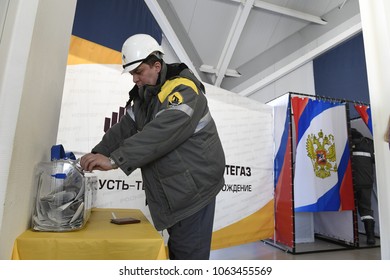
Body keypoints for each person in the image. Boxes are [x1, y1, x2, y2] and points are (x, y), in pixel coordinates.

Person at [80, 34, 226, 259]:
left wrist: (114, 160)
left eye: (138, 72)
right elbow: (125, 127)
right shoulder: (145, 96)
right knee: (178, 252)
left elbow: (160, 133)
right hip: (175, 189)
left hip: (194, 190)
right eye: (132, 74)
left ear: (156, 66)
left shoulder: (183, 91)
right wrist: (99, 152)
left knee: (189, 257)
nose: (134, 79)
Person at [350, 128, 376, 245]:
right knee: (366, 209)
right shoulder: (369, 143)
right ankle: (370, 237)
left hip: (350, 183)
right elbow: (376, 160)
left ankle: (351, 237)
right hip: (366, 182)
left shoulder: (346, 145)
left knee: (349, 208)